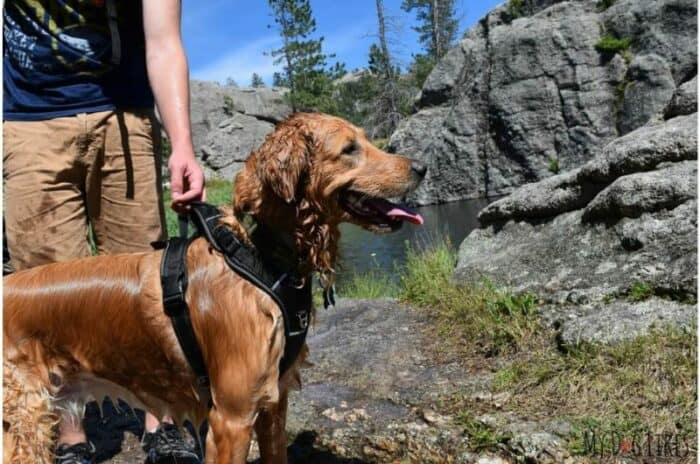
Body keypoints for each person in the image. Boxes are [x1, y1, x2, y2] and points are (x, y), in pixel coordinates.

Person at [3, 0, 205, 463]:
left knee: (145, 283)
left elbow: (164, 42)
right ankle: (70, 438)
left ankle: (163, 425)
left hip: (126, 116)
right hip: (31, 122)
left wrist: (183, 145)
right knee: (43, 287)